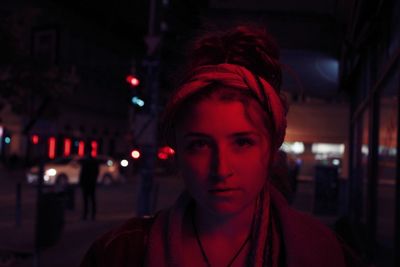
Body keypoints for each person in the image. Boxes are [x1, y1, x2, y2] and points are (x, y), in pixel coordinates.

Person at [80, 25, 364, 266]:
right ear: (177, 150)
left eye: (242, 142)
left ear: (271, 147)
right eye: (200, 145)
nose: (221, 168)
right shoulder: (120, 255)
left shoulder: (324, 254)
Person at [79, 152, 99, 220]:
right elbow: (96, 172)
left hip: (86, 183)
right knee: (92, 199)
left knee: (86, 200)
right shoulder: (94, 162)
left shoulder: (86, 162)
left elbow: (82, 173)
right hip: (91, 183)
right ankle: (92, 215)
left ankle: (86, 214)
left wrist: (81, 182)